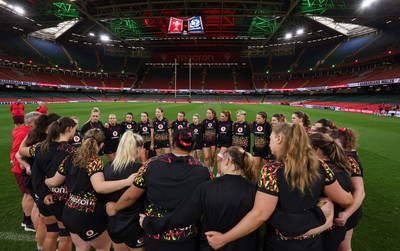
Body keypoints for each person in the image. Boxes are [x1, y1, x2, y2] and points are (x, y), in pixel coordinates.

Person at [205, 123, 353, 251]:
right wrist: (325, 203)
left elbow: (260, 214)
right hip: (311, 243)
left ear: (279, 138)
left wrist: (224, 238)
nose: (269, 144)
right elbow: (346, 200)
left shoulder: (272, 170)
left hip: (279, 243)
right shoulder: (320, 166)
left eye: (270, 139)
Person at [106, 128, 212, 251]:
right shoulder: (204, 170)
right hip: (187, 236)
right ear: (192, 145)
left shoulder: (151, 164)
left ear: (172, 142)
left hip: (155, 233)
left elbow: (131, 196)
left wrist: (115, 207)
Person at [141, 146, 258, 251]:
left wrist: (150, 223)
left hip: (212, 245)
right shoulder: (255, 189)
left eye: (221, 160)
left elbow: (182, 217)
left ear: (227, 160)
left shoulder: (207, 187)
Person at [44, 129, 136, 251]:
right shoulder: (94, 160)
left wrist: (44, 181)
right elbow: (100, 187)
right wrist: (127, 182)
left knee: (81, 246)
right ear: (101, 145)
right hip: (87, 214)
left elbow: (54, 182)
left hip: (69, 211)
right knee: (102, 248)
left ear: (83, 140)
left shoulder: (70, 157)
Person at [20, 117, 77, 251]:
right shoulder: (72, 151)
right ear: (69, 129)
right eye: (74, 129)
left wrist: (44, 193)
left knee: (51, 233)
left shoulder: (41, 147)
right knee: (65, 236)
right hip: (62, 199)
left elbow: (36, 174)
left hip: (45, 199)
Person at [309, 132, 353, 251]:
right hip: (335, 229)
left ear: (316, 150)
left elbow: (346, 200)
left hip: (327, 230)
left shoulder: (323, 171)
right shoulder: (339, 165)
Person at [103, 131, 145, 251]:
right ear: (137, 149)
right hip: (134, 224)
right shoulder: (140, 169)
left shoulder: (108, 167)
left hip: (114, 222)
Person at [329, 128, 365, 251]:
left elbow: (360, 191)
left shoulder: (348, 160)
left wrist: (347, 213)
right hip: (345, 209)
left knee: (344, 245)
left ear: (337, 142)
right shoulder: (337, 157)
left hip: (349, 210)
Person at [10, 111, 41, 231]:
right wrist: (23, 165)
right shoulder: (23, 133)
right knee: (29, 195)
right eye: (38, 121)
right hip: (22, 170)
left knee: (28, 195)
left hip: (23, 168)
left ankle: (26, 219)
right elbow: (15, 151)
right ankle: (28, 222)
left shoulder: (27, 131)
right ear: (30, 122)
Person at [216, 110, 233, 174]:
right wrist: (218, 145)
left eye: (222, 116)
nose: (220, 117)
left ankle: (218, 174)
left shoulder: (231, 123)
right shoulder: (219, 123)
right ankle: (224, 173)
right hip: (220, 143)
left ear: (227, 117)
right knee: (224, 159)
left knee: (218, 158)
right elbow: (218, 134)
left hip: (227, 143)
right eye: (220, 116)